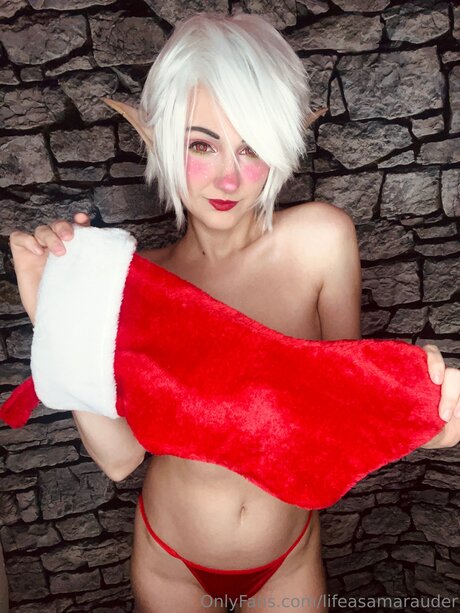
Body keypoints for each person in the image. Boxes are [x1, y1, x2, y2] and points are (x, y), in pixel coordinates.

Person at [8, 13, 460, 613]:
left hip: (288, 558)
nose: (228, 176)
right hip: (171, 560)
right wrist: (57, 316)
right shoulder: (129, 282)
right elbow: (120, 460)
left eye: (252, 147)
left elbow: (337, 413)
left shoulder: (321, 240)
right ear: (161, 142)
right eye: (202, 144)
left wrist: (423, 407)